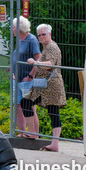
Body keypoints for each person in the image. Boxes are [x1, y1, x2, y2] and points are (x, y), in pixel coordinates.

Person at [26, 24, 67, 152]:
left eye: (44, 34)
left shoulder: (52, 47)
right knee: (27, 102)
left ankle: (53, 142)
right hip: (45, 86)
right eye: (39, 35)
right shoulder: (46, 47)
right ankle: (34, 133)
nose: (41, 37)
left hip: (51, 86)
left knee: (53, 111)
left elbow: (49, 65)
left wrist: (35, 62)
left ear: (49, 34)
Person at [12, 16, 41, 139]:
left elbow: (38, 59)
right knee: (18, 105)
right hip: (17, 79)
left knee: (30, 106)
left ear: (18, 28)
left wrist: (30, 75)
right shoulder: (19, 40)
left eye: (13, 27)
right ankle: (22, 131)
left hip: (27, 80)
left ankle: (34, 133)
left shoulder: (32, 40)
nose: (12, 29)